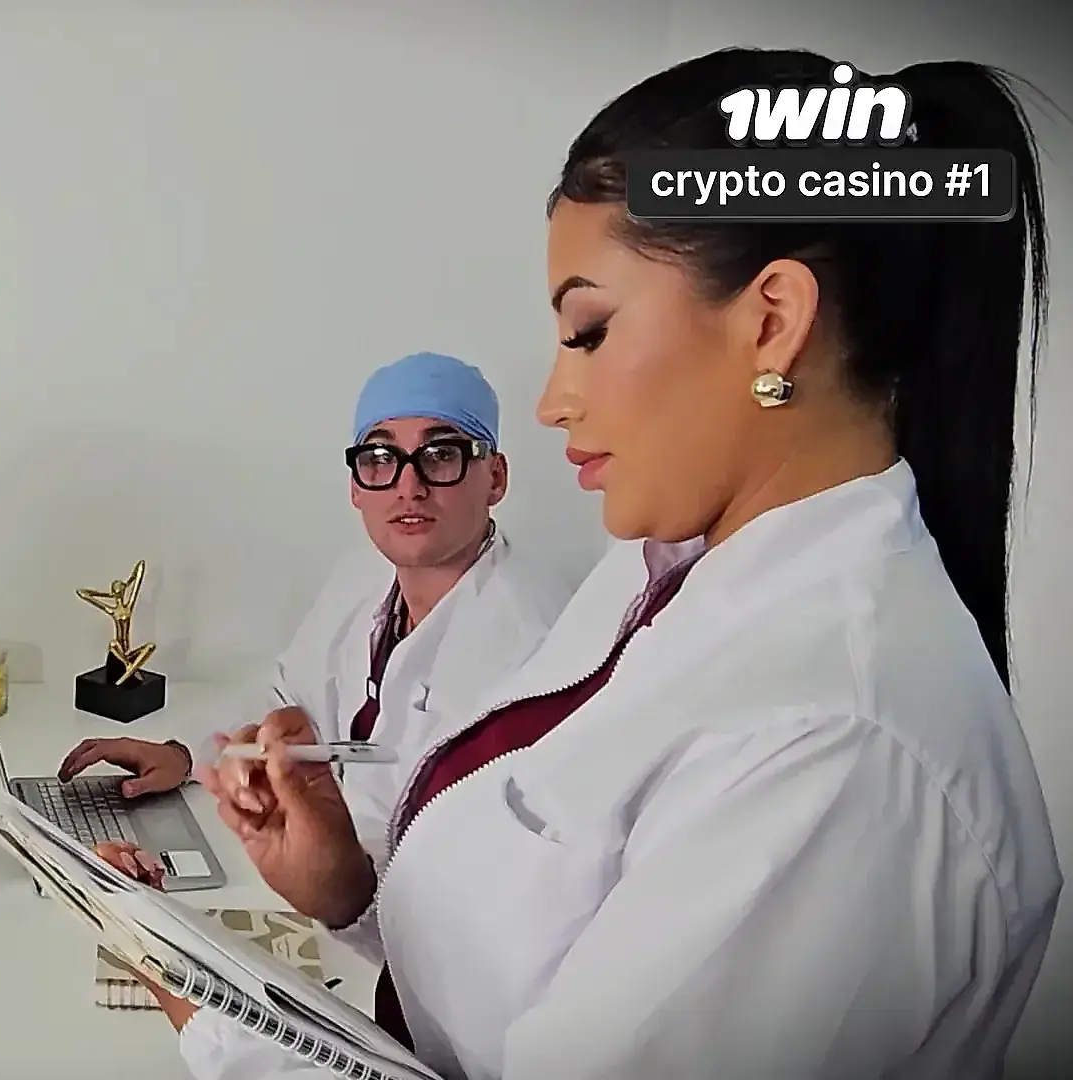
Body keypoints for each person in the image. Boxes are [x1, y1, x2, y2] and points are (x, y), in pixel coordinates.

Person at [111, 49, 1063, 1080]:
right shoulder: (657, 576)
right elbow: (534, 950)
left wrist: (213, 1007)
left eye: (590, 331)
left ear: (772, 322)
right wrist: (346, 888)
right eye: (377, 461)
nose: (556, 399)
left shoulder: (835, 746)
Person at [60, 353, 570, 929]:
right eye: (381, 459)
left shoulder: (539, 648)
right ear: (356, 485)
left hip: (412, 936)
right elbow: (286, 700)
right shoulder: (362, 578)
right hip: (316, 889)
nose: (409, 486)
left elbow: (497, 882)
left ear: (495, 477)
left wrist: (333, 890)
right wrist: (184, 756)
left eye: (441, 455)